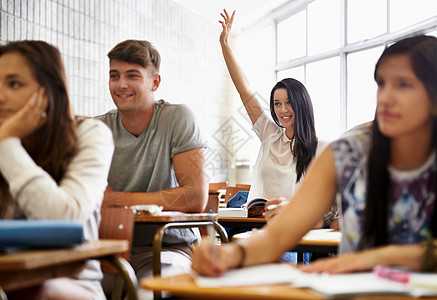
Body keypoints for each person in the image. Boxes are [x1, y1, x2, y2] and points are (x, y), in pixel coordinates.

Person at [191, 34, 437, 277]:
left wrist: (372, 258)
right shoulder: (346, 152)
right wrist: (232, 255)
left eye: (403, 84)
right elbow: (279, 234)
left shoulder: (321, 148)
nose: (384, 97)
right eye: (381, 83)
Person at [0, 41, 114, 299]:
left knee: (35, 292)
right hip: (5, 280)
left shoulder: (90, 134)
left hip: (68, 284)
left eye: (14, 83)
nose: (0, 95)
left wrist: (7, 145)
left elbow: (64, 217)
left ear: (48, 92)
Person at [95, 40, 208, 280]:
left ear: (155, 82)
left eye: (132, 76)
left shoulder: (178, 118)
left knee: (146, 293)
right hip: (111, 249)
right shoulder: (98, 128)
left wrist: (115, 199)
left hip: (169, 246)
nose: (121, 85)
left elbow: (194, 197)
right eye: (114, 76)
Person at [219, 10, 337, 232]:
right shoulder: (269, 134)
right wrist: (225, 44)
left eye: (289, 102)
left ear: (302, 104)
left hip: (291, 232)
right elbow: (244, 91)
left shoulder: (321, 149)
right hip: (256, 226)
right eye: (276, 103)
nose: (283, 110)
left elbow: (328, 208)